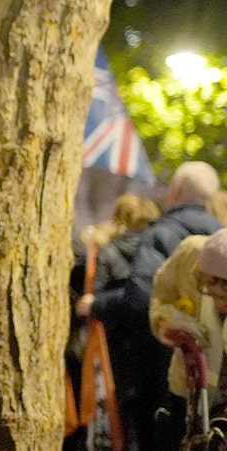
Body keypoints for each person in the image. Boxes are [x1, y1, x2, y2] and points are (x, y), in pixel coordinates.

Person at [121, 161, 222, 446]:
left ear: (175, 190)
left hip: (171, 382)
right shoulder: (219, 232)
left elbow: (140, 299)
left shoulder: (161, 235)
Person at [71, 194, 160, 449]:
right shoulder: (154, 249)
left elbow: (92, 296)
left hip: (109, 345)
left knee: (111, 414)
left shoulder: (105, 248)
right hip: (148, 342)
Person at [149, 229, 227, 445]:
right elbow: (162, 295)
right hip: (188, 389)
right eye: (213, 295)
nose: (219, 305)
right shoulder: (190, 254)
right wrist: (165, 322)